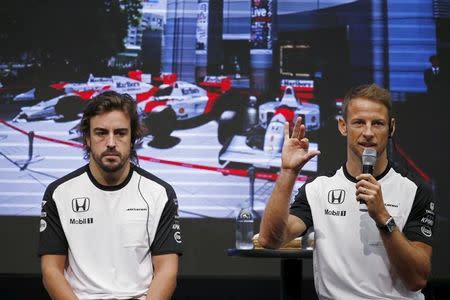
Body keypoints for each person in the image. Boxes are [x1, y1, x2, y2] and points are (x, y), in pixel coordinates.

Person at [259, 84, 435, 299]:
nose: (368, 133)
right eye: (359, 122)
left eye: (378, 123)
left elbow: (417, 279)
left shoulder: (414, 190)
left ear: (391, 128)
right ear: (343, 126)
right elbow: (271, 240)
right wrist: (288, 172)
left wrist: (383, 217)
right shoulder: (319, 189)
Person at [38, 91, 182, 300]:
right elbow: (51, 271)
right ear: (87, 138)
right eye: (101, 133)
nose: (111, 142)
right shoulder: (58, 193)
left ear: (133, 138)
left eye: (121, 133)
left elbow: (167, 271)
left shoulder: (160, 194)